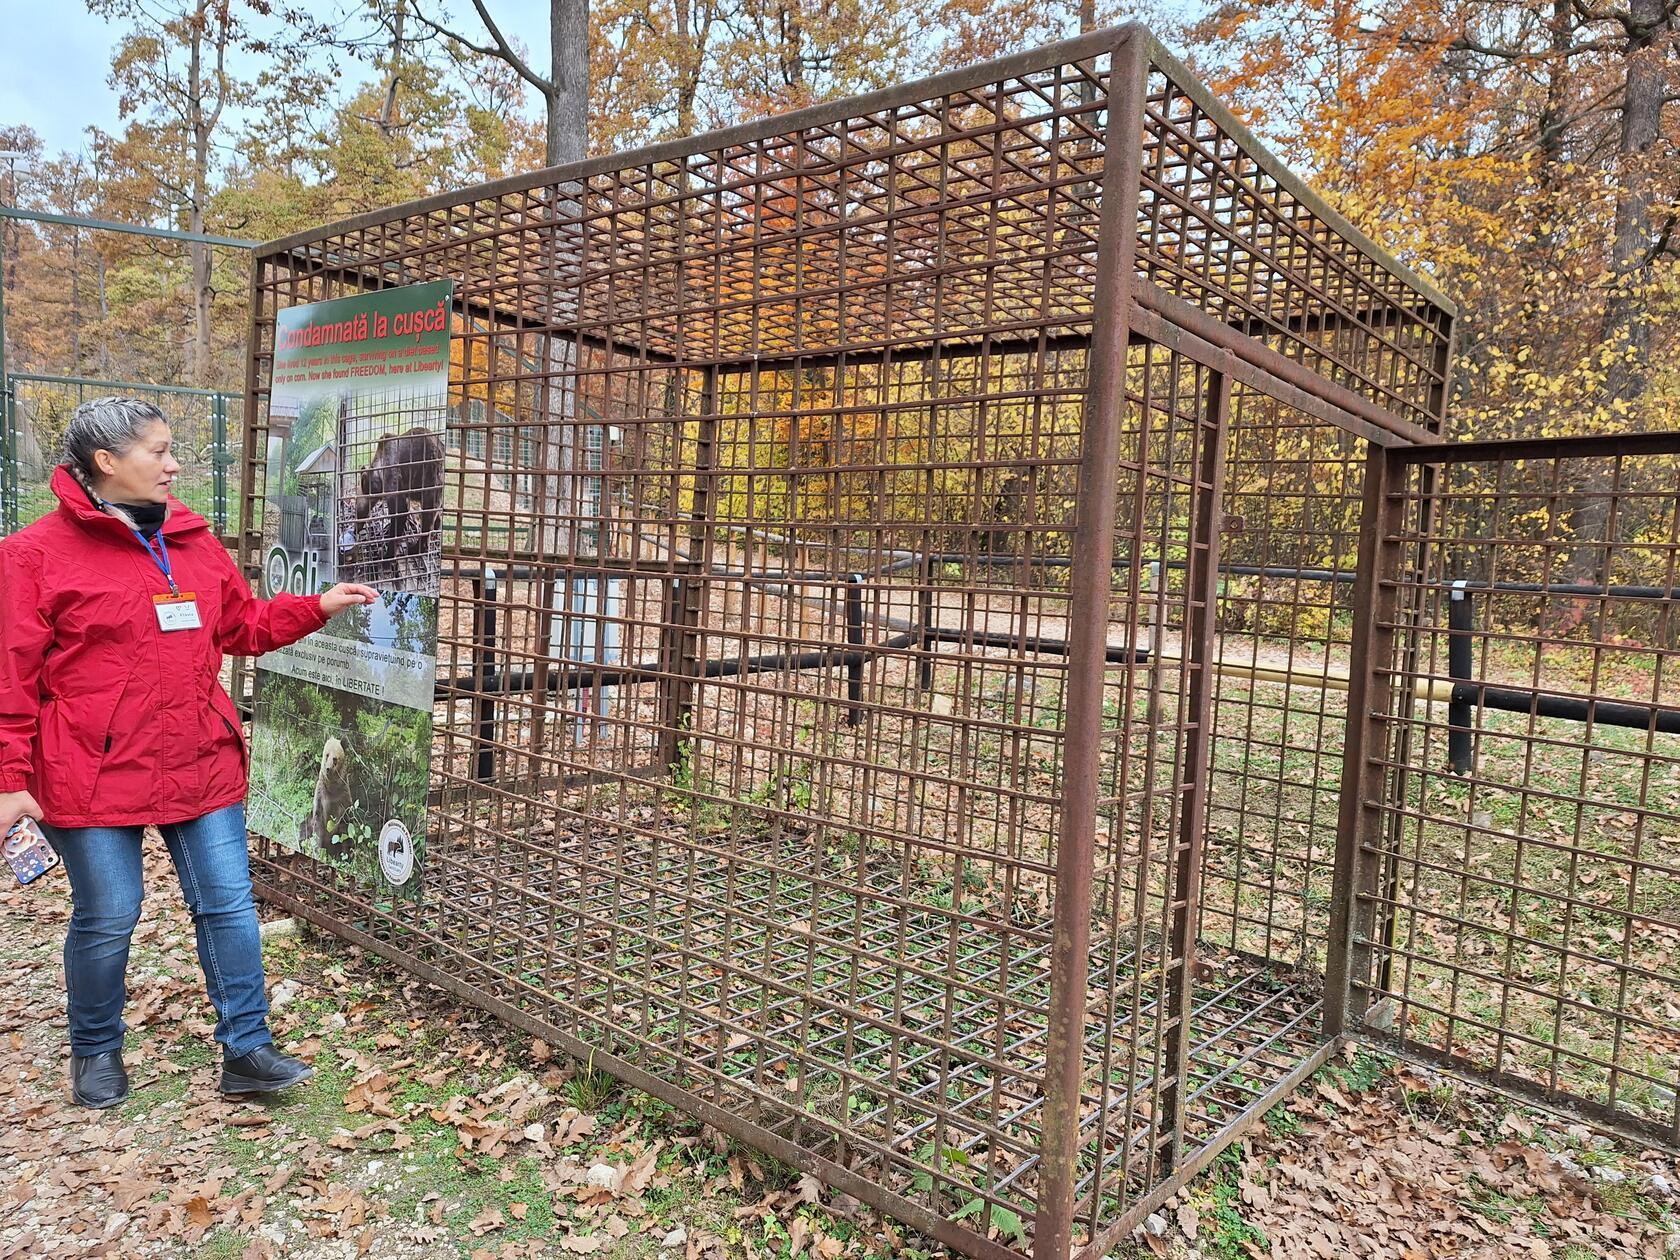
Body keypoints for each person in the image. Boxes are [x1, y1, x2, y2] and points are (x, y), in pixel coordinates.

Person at [0, 397, 379, 1109]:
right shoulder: (32, 555)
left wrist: (314, 607)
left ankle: (248, 1051)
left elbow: (242, 625)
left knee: (229, 904)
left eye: (174, 449)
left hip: (197, 753)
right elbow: (9, 677)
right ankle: (94, 1050)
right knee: (110, 911)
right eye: (159, 451)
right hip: (90, 766)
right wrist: (9, 779)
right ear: (107, 463)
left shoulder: (194, 541)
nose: (175, 464)